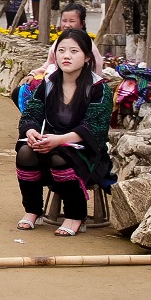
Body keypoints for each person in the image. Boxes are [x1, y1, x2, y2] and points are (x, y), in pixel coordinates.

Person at [15, 28, 111, 236]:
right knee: (25, 152)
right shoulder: (48, 83)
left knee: (59, 158)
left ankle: (75, 215)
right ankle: (33, 210)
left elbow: (94, 127)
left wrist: (60, 140)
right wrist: (31, 132)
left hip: (86, 152)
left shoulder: (98, 88)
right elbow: (32, 113)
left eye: (74, 51)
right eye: (61, 50)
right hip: (51, 143)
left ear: (87, 57)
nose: (66, 56)